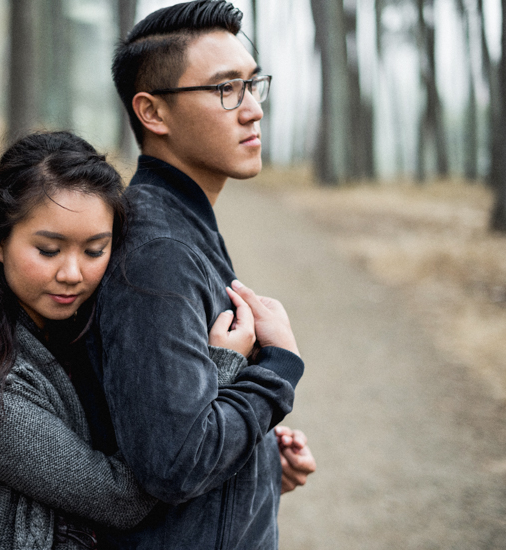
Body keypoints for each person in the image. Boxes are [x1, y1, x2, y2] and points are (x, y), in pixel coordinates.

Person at [0, 131, 259, 549]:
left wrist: (259, 458)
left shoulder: (79, 334)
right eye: (49, 250)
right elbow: (122, 498)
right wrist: (216, 374)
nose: (72, 273)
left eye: (94, 250)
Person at [82, 1, 316, 549]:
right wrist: (277, 371)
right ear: (153, 113)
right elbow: (174, 461)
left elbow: (177, 424)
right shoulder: (158, 252)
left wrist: (257, 461)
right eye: (225, 89)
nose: (253, 108)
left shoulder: (182, 227)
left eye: (253, 83)